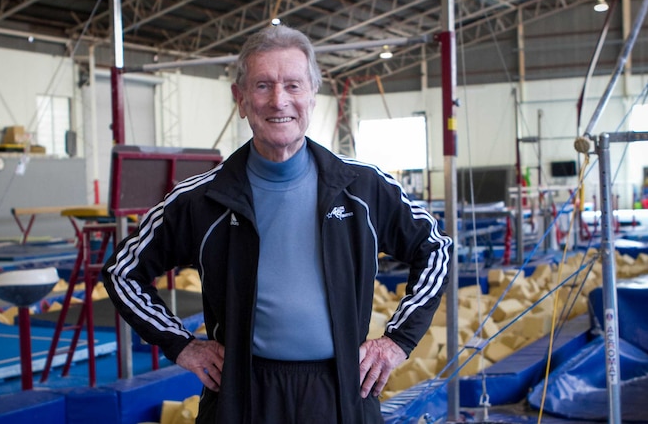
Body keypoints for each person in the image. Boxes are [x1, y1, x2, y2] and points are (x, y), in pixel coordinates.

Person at [102, 25, 452, 423]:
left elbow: (436, 246)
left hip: (341, 390)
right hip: (242, 394)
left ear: (312, 96)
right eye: (263, 85)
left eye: (293, 85)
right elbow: (122, 272)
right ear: (241, 99)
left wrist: (396, 341)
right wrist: (181, 345)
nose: (279, 100)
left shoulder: (363, 188)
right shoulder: (201, 200)